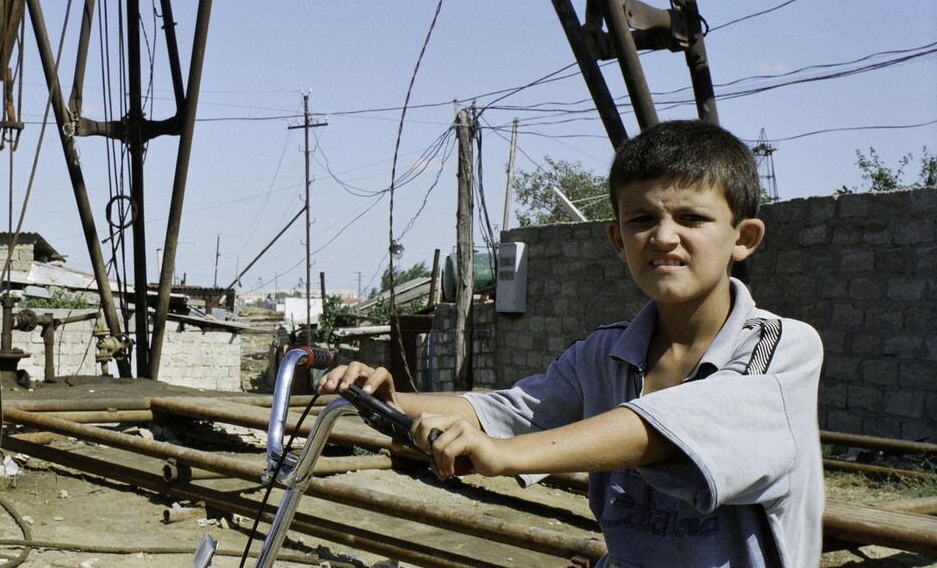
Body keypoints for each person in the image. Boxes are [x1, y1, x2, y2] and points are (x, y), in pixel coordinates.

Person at [319, 120, 823, 567]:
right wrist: (392, 401)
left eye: (692, 218)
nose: (664, 236)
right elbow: (510, 410)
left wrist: (504, 453)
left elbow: (670, 430)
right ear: (618, 240)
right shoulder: (604, 354)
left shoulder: (782, 350)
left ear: (744, 237)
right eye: (642, 219)